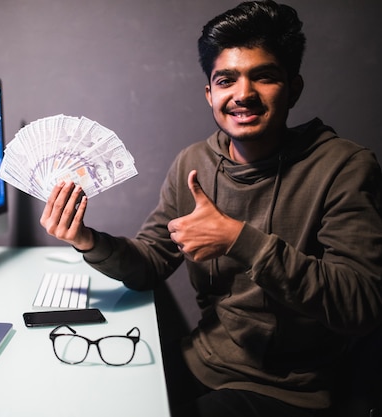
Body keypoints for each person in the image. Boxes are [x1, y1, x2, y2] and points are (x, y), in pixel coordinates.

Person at [39, 1, 382, 416]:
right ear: (210, 93)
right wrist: (86, 239)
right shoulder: (193, 163)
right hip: (203, 357)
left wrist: (240, 240)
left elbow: (362, 303)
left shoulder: (344, 166)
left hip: (289, 388)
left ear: (293, 87)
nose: (243, 95)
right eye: (226, 80)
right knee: (86, 399)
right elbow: (150, 262)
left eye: (265, 77)